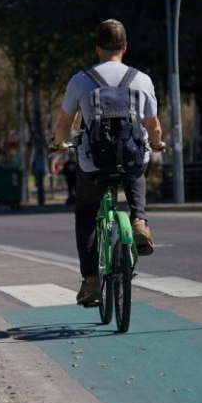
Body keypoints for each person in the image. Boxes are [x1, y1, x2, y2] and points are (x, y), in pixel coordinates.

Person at [49, 19, 165, 305]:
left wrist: (56, 144)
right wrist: (157, 143)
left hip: (94, 163)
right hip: (129, 158)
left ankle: (90, 281)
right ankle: (139, 219)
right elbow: (154, 126)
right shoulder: (142, 79)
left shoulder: (80, 80)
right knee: (136, 164)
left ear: (97, 48)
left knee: (86, 213)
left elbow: (65, 123)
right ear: (124, 48)